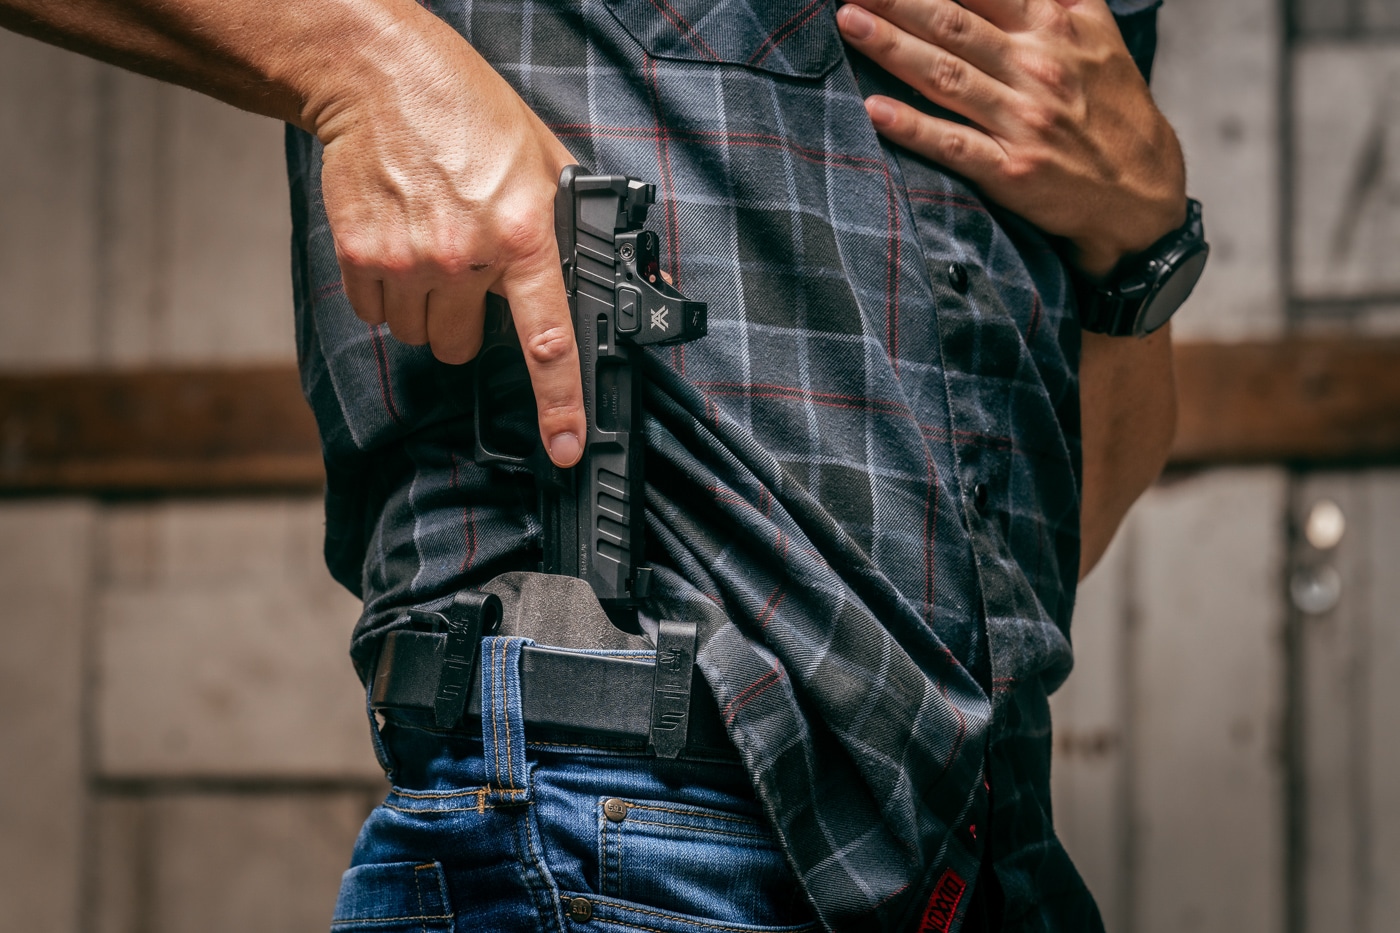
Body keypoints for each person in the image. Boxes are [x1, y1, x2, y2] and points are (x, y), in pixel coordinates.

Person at [0, 0, 1192, 929]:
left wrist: (1140, 252)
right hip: (624, 808)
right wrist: (362, 62)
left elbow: (1052, 542)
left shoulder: (1085, 32)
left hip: (987, 860)